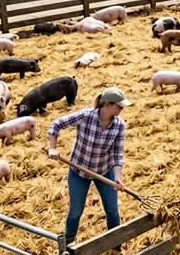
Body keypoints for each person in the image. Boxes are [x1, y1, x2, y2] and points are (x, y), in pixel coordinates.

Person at [48, 87, 132, 244]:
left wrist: (118, 178)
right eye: (119, 106)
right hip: (79, 172)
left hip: (104, 172)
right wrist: (53, 148)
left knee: (112, 210)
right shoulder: (85, 116)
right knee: (75, 211)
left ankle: (115, 245)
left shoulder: (119, 125)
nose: (122, 109)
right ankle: (68, 248)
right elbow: (55, 124)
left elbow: (117, 153)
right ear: (107, 104)